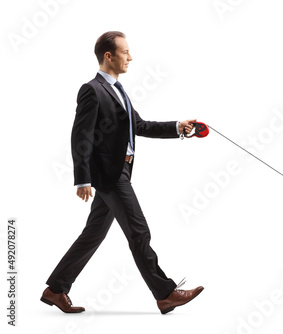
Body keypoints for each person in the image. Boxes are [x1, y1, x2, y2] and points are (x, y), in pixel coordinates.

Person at [41, 31, 203, 315]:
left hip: (121, 171)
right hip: (110, 175)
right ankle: (165, 294)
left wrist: (177, 126)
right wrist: (83, 178)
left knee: (93, 235)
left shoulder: (118, 90)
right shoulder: (92, 90)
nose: (131, 57)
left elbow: (139, 126)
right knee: (139, 232)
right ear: (109, 55)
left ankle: (56, 289)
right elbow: (80, 136)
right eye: (125, 52)